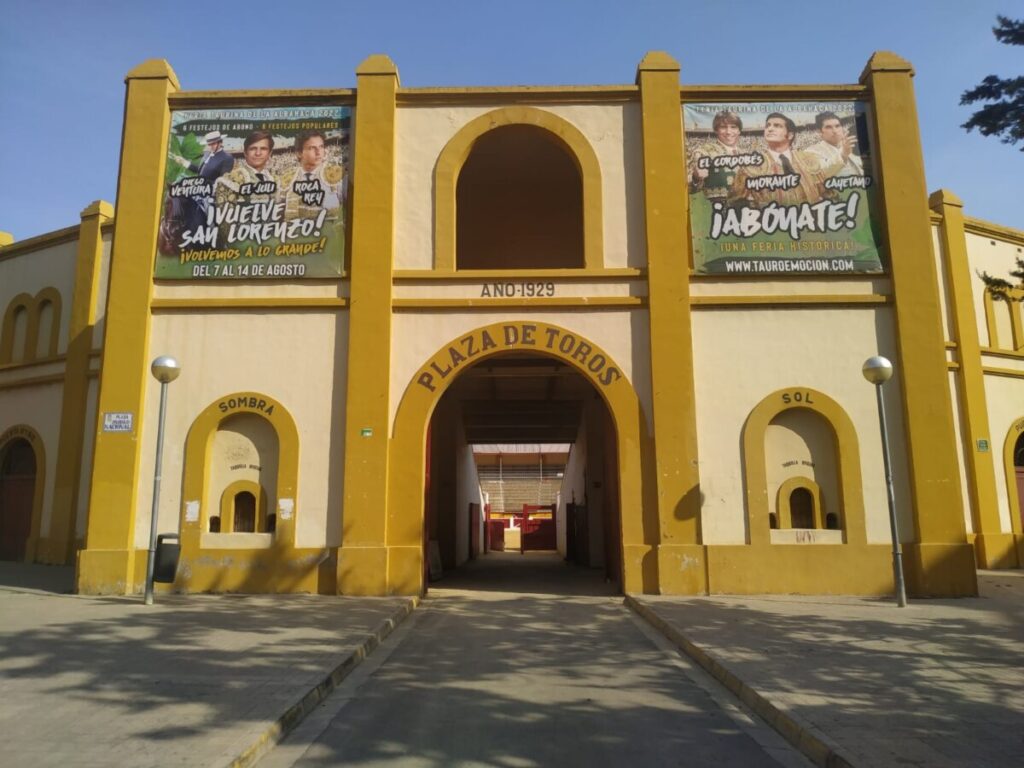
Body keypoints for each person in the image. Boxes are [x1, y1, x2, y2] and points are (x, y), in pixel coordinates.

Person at [729, 112, 843, 206]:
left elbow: (828, 193)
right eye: (768, 125)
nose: (770, 129)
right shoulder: (751, 165)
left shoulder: (809, 159)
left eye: (777, 126)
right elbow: (735, 203)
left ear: (790, 135)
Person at [170, 130, 234, 230]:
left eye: (213, 144)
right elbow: (200, 171)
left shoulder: (227, 158)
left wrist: (203, 185)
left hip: (211, 191)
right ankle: (176, 220)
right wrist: (184, 162)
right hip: (198, 186)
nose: (211, 146)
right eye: (209, 144)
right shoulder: (207, 154)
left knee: (208, 208)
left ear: (220, 143)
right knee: (176, 190)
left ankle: (213, 229)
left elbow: (223, 180)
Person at [277, 130, 345, 220]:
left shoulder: (335, 175)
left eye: (321, 147)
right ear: (299, 153)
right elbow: (278, 214)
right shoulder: (287, 179)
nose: (318, 152)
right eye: (312, 148)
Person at [688, 111, 745, 203]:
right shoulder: (703, 152)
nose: (728, 132)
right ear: (716, 130)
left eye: (733, 127)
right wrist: (695, 178)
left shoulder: (745, 154)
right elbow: (687, 188)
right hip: (716, 208)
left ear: (739, 131)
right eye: (723, 127)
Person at [214, 130, 277, 207]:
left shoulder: (274, 179)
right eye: (253, 148)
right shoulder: (231, 180)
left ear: (270, 153)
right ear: (245, 153)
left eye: (263, 149)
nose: (258, 153)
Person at [804, 112, 863, 176]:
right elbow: (819, 172)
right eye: (828, 127)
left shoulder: (851, 144)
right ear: (820, 132)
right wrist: (843, 155)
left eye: (837, 126)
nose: (835, 131)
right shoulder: (811, 151)